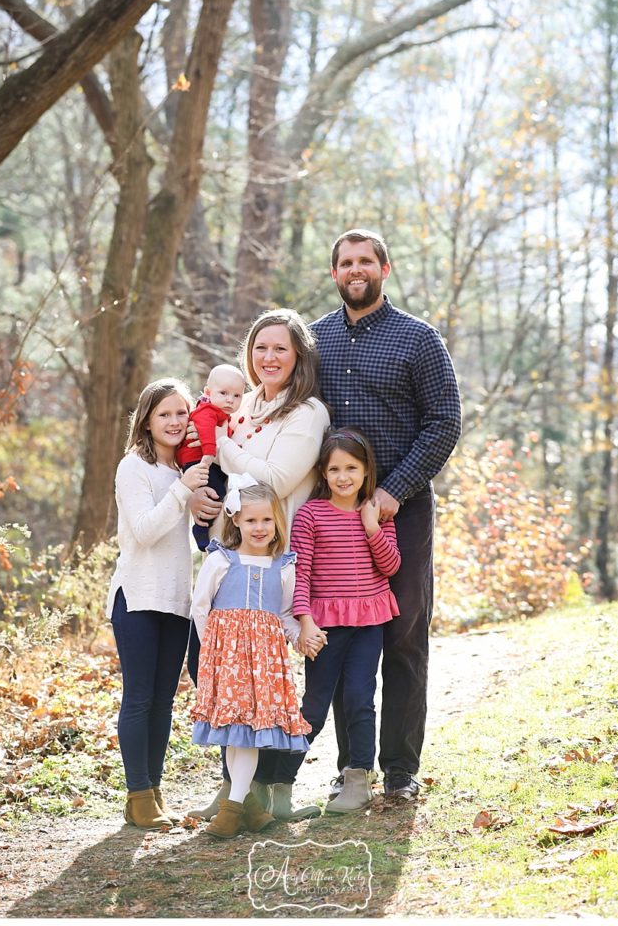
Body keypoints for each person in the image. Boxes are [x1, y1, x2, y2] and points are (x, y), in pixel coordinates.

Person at [312, 228, 461, 800]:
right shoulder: (315, 339)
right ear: (334, 274)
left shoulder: (418, 339)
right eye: (345, 262)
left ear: (384, 268)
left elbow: (444, 422)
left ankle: (399, 771)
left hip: (403, 508)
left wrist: (393, 491)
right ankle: (353, 768)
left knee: (401, 635)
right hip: (334, 515)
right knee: (343, 637)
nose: (355, 269)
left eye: (365, 261)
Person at [186, 308, 330, 820]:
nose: (269, 357)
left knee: (268, 677)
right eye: (260, 347)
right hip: (229, 550)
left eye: (281, 349)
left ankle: (263, 791)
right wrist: (202, 498)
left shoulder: (306, 413)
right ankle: (236, 786)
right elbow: (218, 475)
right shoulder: (241, 403)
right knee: (214, 665)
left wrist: (222, 448)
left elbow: (275, 476)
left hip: (276, 557)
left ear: (298, 357)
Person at [106, 378, 212, 829]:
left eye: (181, 413)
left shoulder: (185, 471)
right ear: (147, 420)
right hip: (136, 597)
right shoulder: (135, 468)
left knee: (165, 701)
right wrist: (183, 491)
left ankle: (153, 791)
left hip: (176, 601)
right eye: (164, 413)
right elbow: (146, 530)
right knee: (139, 698)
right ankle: (138, 794)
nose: (174, 421)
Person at [282, 427, 401, 814]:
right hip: (324, 624)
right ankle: (277, 785)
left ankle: (359, 780)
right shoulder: (310, 515)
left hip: (369, 621)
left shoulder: (377, 514)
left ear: (367, 470)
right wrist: (304, 621)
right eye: (335, 469)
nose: (344, 477)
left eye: (352, 467)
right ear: (323, 473)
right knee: (314, 705)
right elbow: (301, 574)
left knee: (359, 700)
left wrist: (371, 527)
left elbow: (390, 565)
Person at [190, 479, 312, 838]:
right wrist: (212, 651)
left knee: (247, 734)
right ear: (236, 522)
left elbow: (286, 614)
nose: (259, 529)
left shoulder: (283, 566)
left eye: (266, 521)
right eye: (251, 521)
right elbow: (200, 608)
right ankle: (247, 810)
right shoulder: (220, 560)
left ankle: (236, 810)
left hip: (265, 664)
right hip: (226, 659)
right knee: (236, 735)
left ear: (277, 523)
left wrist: (301, 635)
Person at [175, 364, 246, 551]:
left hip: (207, 460)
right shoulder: (206, 411)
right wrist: (208, 454)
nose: (230, 400)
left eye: (237, 396)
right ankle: (201, 528)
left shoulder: (220, 412)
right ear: (208, 391)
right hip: (198, 460)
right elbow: (207, 434)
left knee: (222, 488)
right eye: (223, 393)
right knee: (215, 494)